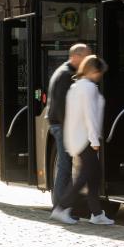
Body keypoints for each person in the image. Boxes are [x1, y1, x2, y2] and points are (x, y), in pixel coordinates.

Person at [52, 55, 114, 226]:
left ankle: (96, 213)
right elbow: (90, 116)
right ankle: (61, 208)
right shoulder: (88, 88)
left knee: (93, 175)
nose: (100, 76)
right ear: (93, 71)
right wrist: (95, 140)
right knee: (86, 175)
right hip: (86, 139)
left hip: (77, 138)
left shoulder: (76, 87)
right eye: (99, 72)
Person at [47, 43, 90, 209]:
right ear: (76, 57)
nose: (87, 60)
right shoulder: (66, 75)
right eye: (85, 56)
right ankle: (60, 206)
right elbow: (61, 106)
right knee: (65, 166)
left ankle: (64, 205)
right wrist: (69, 130)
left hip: (59, 125)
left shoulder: (65, 71)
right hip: (61, 126)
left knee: (65, 165)